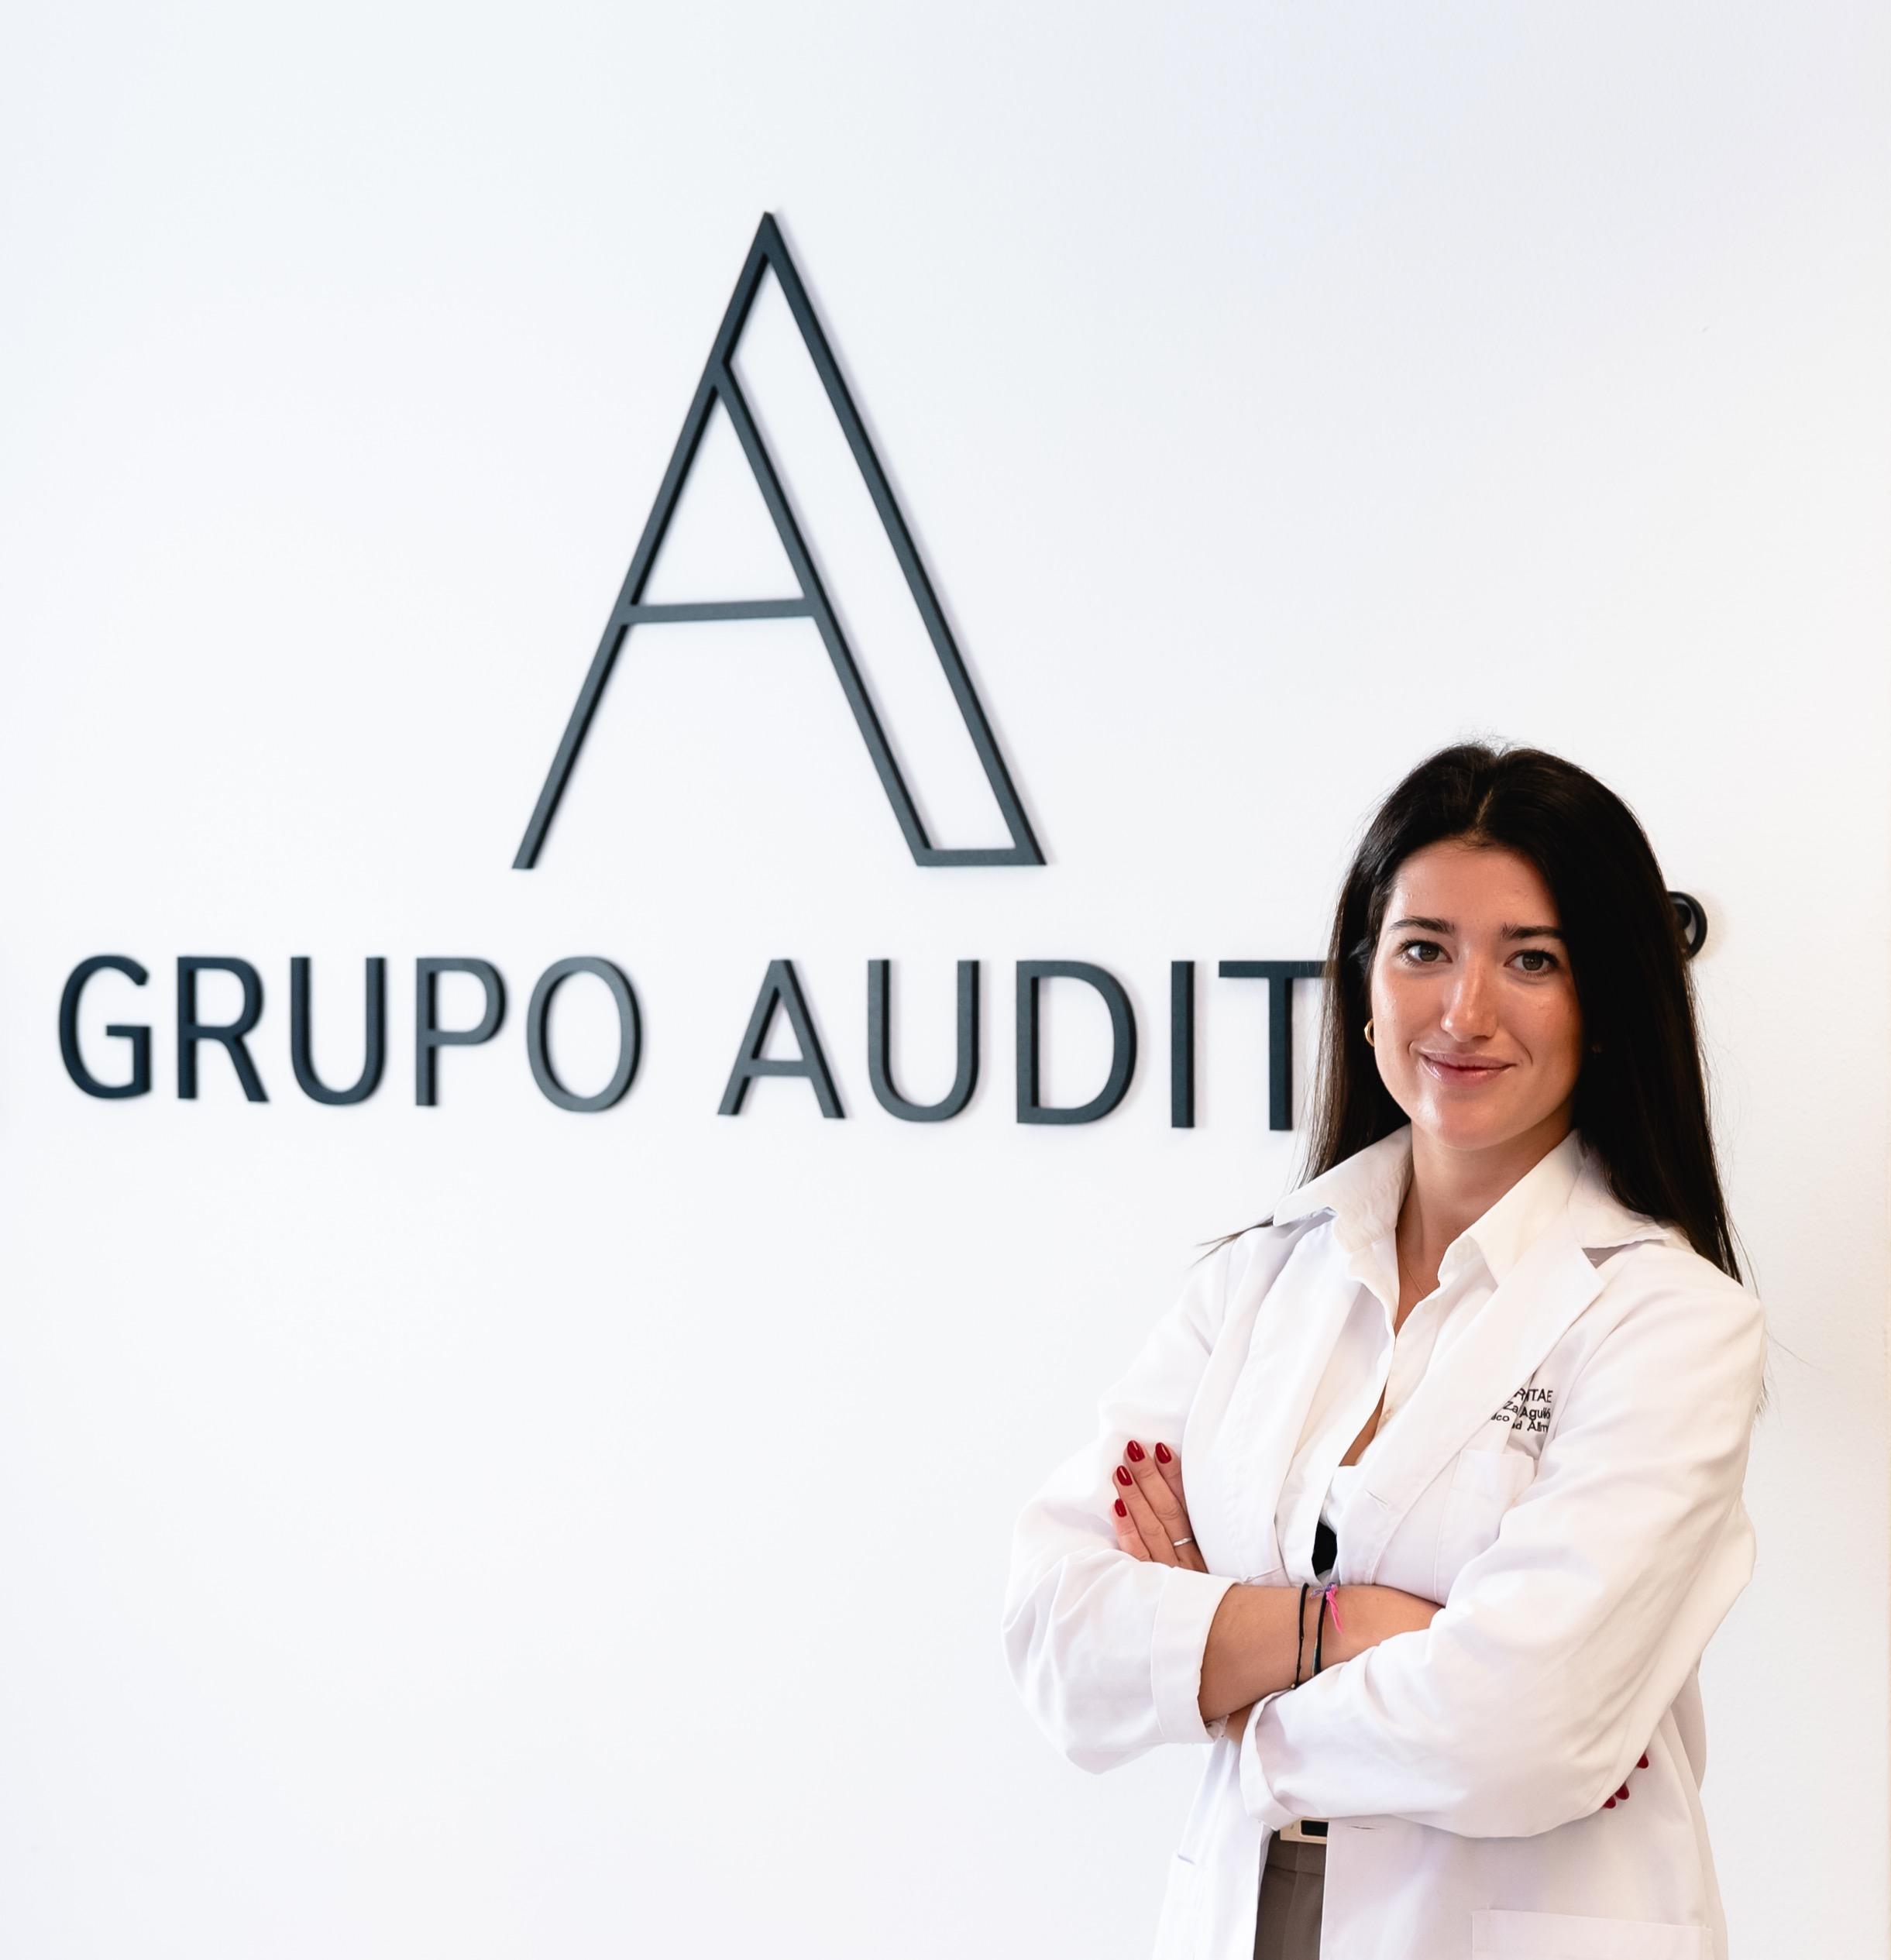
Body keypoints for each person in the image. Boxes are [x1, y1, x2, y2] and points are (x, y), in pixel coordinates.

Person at [1000, 741, 1769, 1960]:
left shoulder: (1669, 1322)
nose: (1464, 1010)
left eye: (1530, 958)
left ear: (1604, 1003)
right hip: (1247, 1910)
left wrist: (1220, 1666)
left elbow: (1521, 1723)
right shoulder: (1253, 1280)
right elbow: (1058, 1632)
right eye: (1422, 949)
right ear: (1362, 985)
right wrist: (1349, 1625)